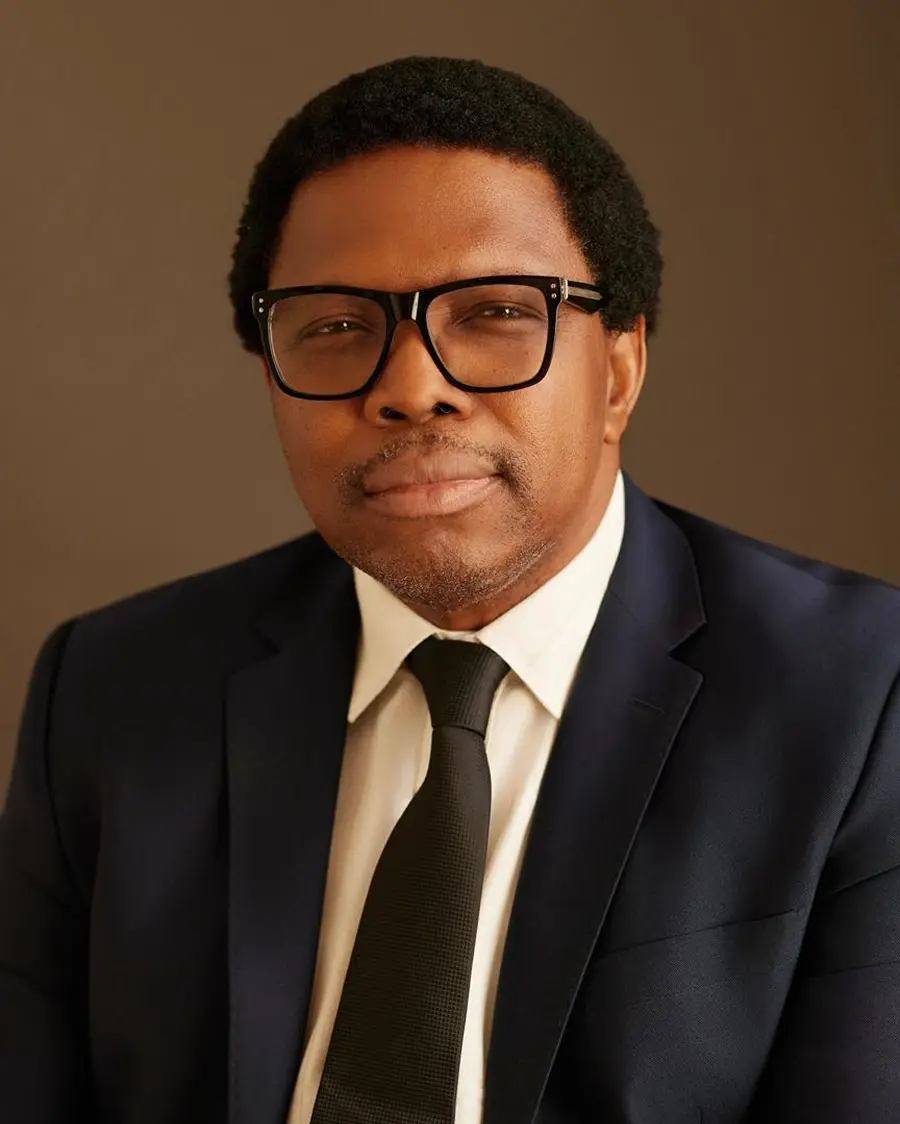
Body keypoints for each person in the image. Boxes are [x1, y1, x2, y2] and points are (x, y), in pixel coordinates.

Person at [1, 54, 899, 1124]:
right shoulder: (112, 687)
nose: (411, 384)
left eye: (495, 312)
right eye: (336, 325)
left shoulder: (862, 696)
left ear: (618, 370)